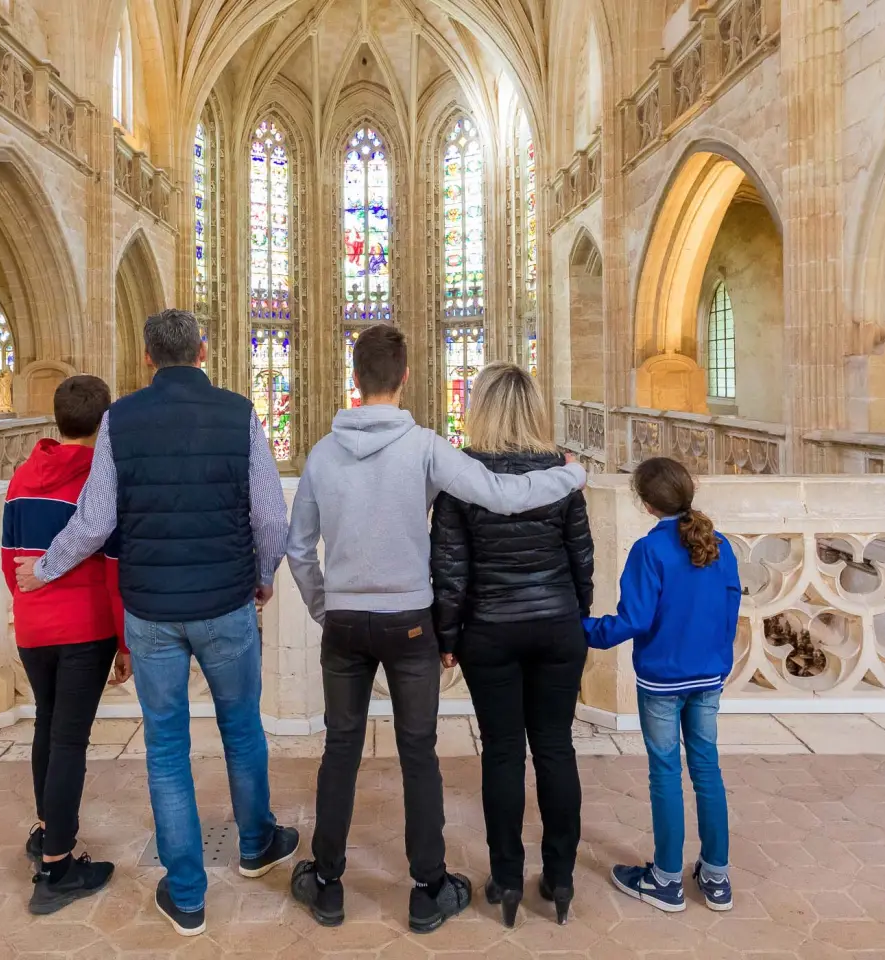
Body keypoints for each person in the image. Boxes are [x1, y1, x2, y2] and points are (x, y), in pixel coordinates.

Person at [283, 323, 587, 934]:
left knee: (339, 748)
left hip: (344, 621)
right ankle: (428, 888)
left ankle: (328, 883)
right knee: (418, 751)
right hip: (412, 624)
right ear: (403, 379)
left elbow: (297, 547)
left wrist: (325, 606)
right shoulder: (425, 447)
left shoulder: (320, 452)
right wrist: (570, 476)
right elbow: (501, 495)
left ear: (356, 379)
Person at [16, 310, 299, 938]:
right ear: (203, 349)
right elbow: (271, 519)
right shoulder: (240, 412)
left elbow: (93, 521)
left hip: (150, 613)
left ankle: (188, 893)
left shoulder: (120, 419)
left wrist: (47, 566)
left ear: (147, 358)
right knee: (242, 727)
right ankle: (256, 845)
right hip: (226, 604)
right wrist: (262, 575)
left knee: (166, 747)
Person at [428, 363, 592, 927]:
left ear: (481, 410)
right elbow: (581, 558)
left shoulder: (463, 476)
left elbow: (449, 569)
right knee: (555, 747)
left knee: (502, 751)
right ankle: (561, 877)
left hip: (489, 630)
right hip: (556, 625)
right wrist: (576, 618)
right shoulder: (563, 474)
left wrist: (447, 636)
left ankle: (504, 878)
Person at [584, 457, 742, 914]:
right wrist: (720, 659)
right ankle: (716, 878)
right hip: (708, 675)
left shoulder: (649, 550)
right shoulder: (720, 545)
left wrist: (581, 628)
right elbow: (731, 608)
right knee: (708, 771)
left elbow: (632, 620)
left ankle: (667, 879)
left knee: (666, 773)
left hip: (662, 680)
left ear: (647, 504)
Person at [0, 374, 129, 915]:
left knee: (48, 727)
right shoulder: (100, 483)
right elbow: (116, 568)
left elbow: (11, 561)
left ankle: (45, 829)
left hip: (33, 627)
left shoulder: (23, 476)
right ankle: (56, 867)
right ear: (105, 424)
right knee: (70, 740)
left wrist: (30, 602)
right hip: (85, 628)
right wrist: (125, 642)